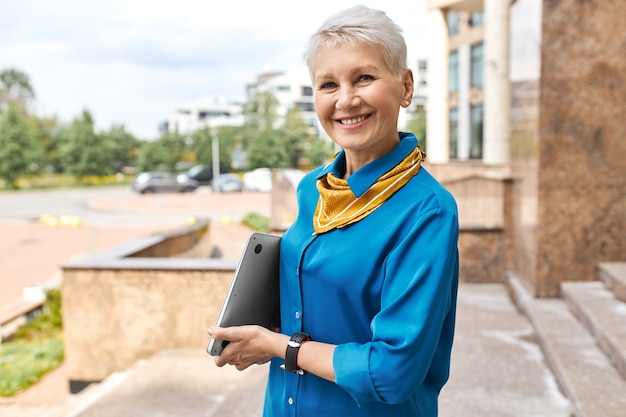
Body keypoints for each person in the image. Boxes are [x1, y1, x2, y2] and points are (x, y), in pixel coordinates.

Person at [208, 5, 459, 416]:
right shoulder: (314, 188)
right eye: (328, 84)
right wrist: (263, 329)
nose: (346, 100)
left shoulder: (426, 212)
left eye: (364, 77)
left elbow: (392, 372)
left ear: (406, 85)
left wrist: (278, 347)